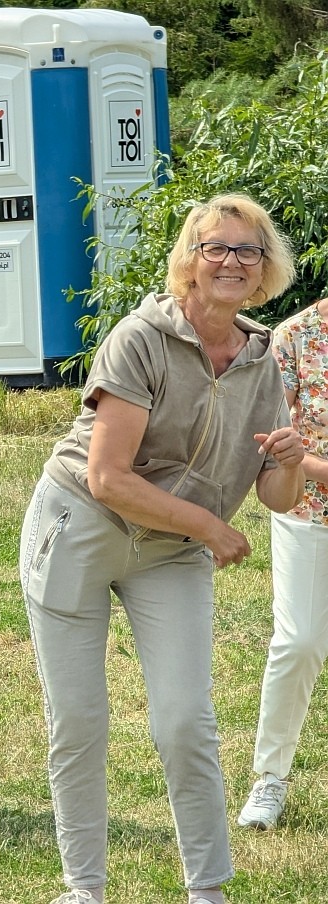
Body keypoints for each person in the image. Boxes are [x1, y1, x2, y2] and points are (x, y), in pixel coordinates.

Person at [19, 194, 304, 904]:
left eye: (248, 250)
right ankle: (84, 889)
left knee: (185, 720)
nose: (232, 262)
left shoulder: (262, 358)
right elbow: (107, 477)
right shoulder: (140, 337)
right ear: (191, 259)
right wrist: (210, 526)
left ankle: (207, 889)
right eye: (216, 247)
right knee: (79, 721)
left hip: (171, 550)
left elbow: (274, 494)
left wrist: (292, 461)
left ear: (265, 268)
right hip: (80, 525)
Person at [236, 296, 328, 831]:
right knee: (300, 643)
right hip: (309, 510)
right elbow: (270, 440)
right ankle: (270, 779)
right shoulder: (294, 337)